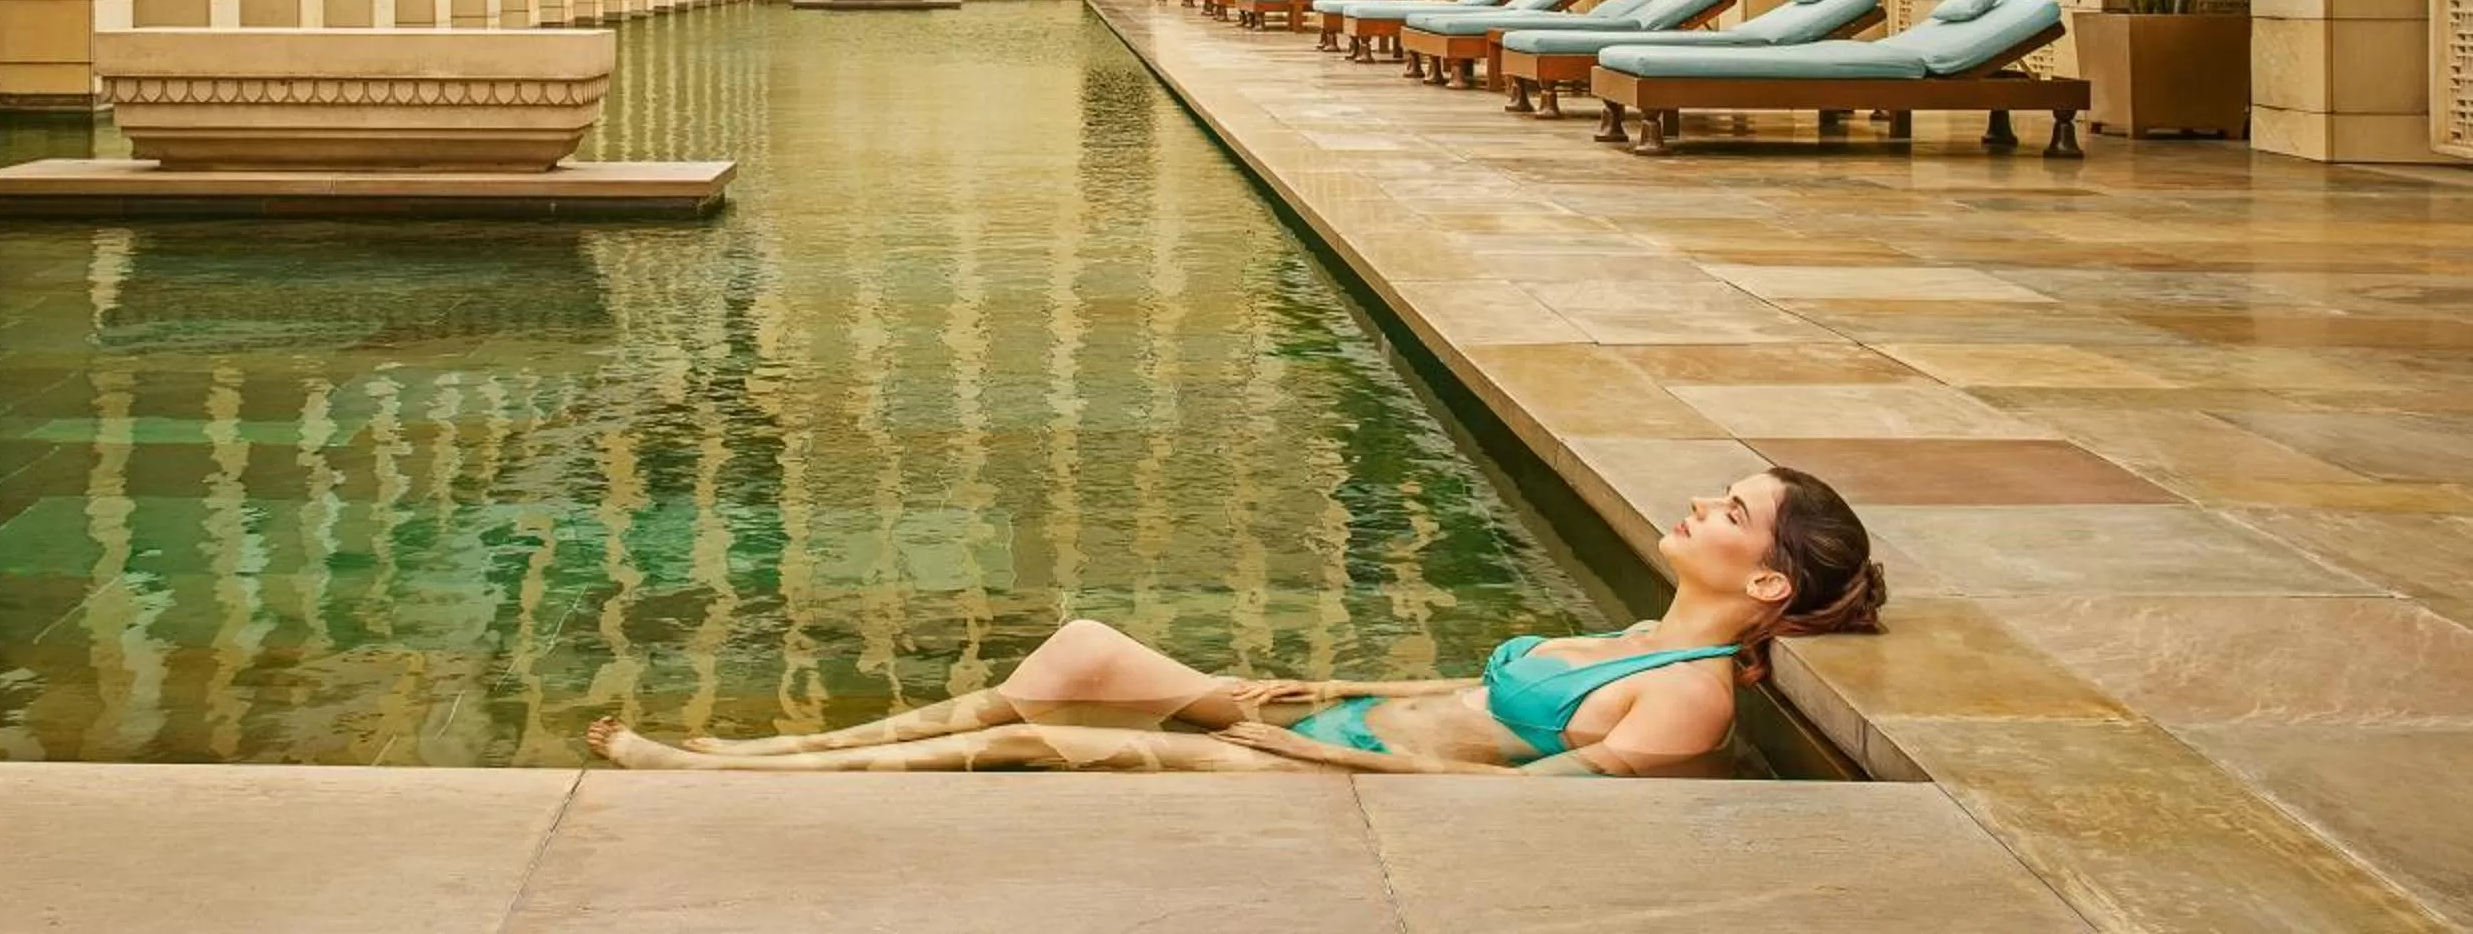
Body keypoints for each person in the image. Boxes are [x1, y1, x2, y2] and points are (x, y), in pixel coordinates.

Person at [587, 468, 1883, 777]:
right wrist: (1308, 687)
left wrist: (1301, 753)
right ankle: (767, 754)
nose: (1699, 506)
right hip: (1326, 723)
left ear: (1769, 585)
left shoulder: (1689, 694)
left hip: (1335, 776)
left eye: (1732, 513)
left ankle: (731, 774)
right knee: (1082, 648)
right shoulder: (1640, 634)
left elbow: (1511, 805)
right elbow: (1472, 694)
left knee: (1050, 737)